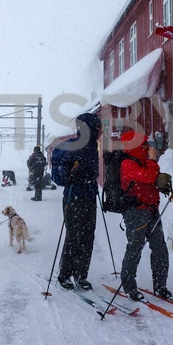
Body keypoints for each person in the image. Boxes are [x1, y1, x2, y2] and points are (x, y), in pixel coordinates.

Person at [118, 129, 173, 302]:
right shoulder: (127, 163)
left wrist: (162, 185)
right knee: (135, 248)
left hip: (151, 209)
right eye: (143, 144)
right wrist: (152, 160)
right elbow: (148, 177)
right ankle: (129, 287)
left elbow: (151, 180)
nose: (147, 146)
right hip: (136, 212)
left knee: (159, 248)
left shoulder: (144, 161)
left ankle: (160, 285)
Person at [56, 112, 102, 291]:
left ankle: (81, 275)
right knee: (73, 236)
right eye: (97, 126)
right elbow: (61, 172)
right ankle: (64, 275)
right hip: (73, 196)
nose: (100, 130)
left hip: (89, 196)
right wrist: (70, 174)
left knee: (88, 236)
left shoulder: (92, 146)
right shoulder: (73, 145)